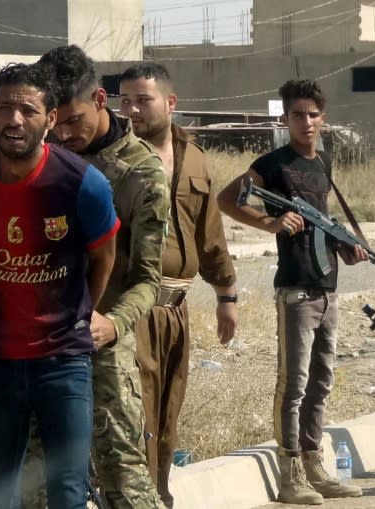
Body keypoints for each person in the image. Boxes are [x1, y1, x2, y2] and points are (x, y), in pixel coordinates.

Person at [0, 62, 119, 509]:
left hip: (64, 364)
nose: (14, 120)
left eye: (27, 110)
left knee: (68, 494)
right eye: (4, 108)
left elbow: (103, 257)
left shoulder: (82, 184)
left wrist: (75, 315)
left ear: (50, 119)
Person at [20, 45, 169, 509]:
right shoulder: (35, 157)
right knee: (33, 482)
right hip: (37, 341)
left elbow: (148, 279)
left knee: (122, 471)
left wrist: (113, 323)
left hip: (102, 342)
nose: (63, 134)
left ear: (101, 100)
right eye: (53, 123)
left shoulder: (141, 173)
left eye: (73, 121)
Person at [217, 79, 365, 505]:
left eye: (313, 114)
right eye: (297, 115)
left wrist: (345, 247)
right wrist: (269, 223)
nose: (306, 122)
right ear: (284, 119)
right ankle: (289, 472)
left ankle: (314, 461)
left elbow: (322, 221)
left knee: (322, 382)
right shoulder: (273, 163)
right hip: (296, 289)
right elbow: (228, 199)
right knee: (294, 384)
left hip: (327, 288)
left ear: (324, 118)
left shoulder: (324, 164)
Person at [118, 63, 238, 508]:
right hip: (133, 309)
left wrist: (226, 293)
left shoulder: (196, 159)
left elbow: (210, 236)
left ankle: (160, 495)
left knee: (168, 414)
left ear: (170, 103)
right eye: (124, 99)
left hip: (177, 309)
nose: (130, 109)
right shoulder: (116, 159)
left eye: (142, 100)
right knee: (138, 415)